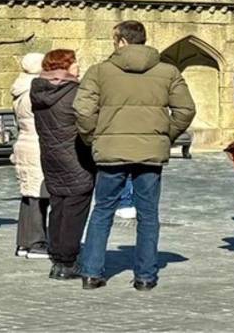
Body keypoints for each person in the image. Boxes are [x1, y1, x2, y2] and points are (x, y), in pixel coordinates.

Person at [75, 20, 196, 291]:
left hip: (111, 149)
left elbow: (82, 110)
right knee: (148, 214)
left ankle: (91, 273)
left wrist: (94, 137)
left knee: (102, 211)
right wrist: (164, 136)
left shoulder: (99, 71)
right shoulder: (168, 71)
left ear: (121, 41)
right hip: (149, 152)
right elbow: (186, 110)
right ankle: (145, 276)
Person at [32, 48, 95, 281]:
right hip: (75, 155)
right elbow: (87, 122)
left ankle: (58, 256)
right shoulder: (74, 92)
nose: (78, 66)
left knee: (58, 205)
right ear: (65, 66)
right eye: (75, 62)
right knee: (75, 208)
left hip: (51, 155)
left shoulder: (38, 90)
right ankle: (67, 262)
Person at [10, 52, 50, 259]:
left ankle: (24, 241)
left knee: (29, 194)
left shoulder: (21, 88)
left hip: (26, 142)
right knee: (37, 194)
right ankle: (36, 242)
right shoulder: (33, 91)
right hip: (36, 143)